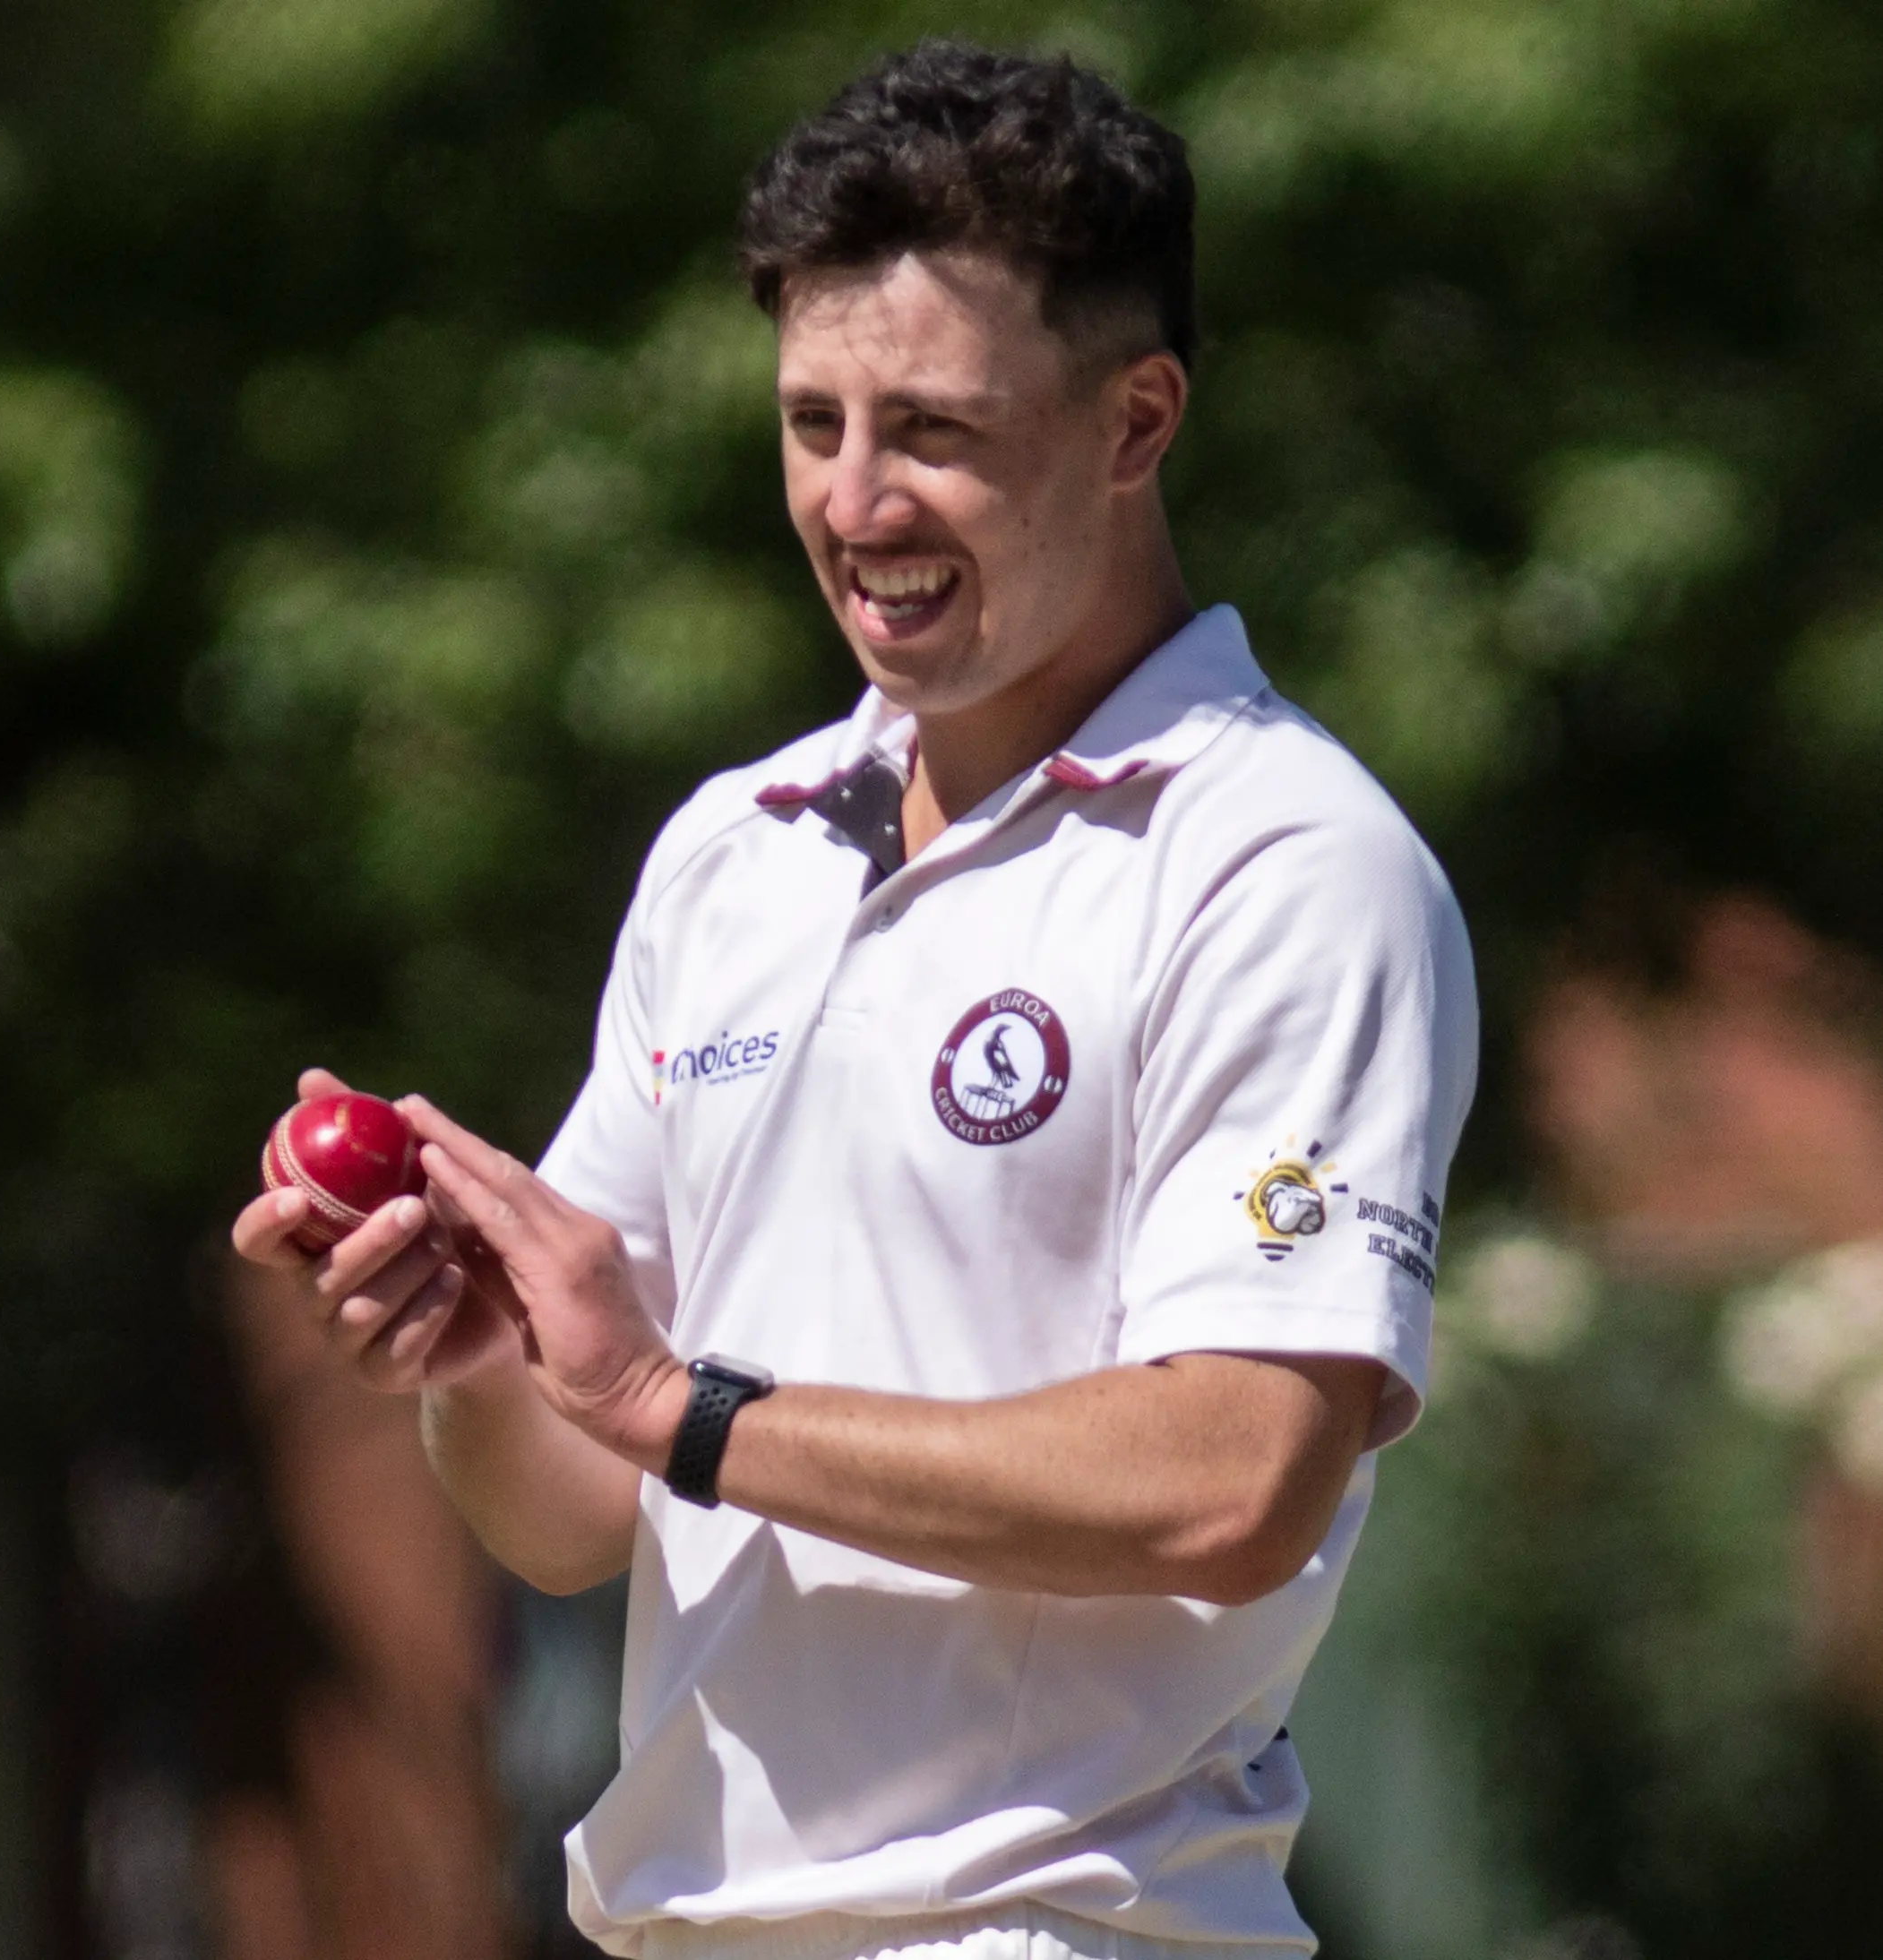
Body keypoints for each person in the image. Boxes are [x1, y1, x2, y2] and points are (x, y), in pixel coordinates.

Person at [235, 40, 1476, 1960]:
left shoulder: (1286, 856)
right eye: (813, 421)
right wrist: (482, 1355)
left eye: (934, 430)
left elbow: (1233, 1469)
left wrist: (683, 1402)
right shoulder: (733, 849)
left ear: (1137, 418)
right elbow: (573, 1510)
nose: (857, 501)